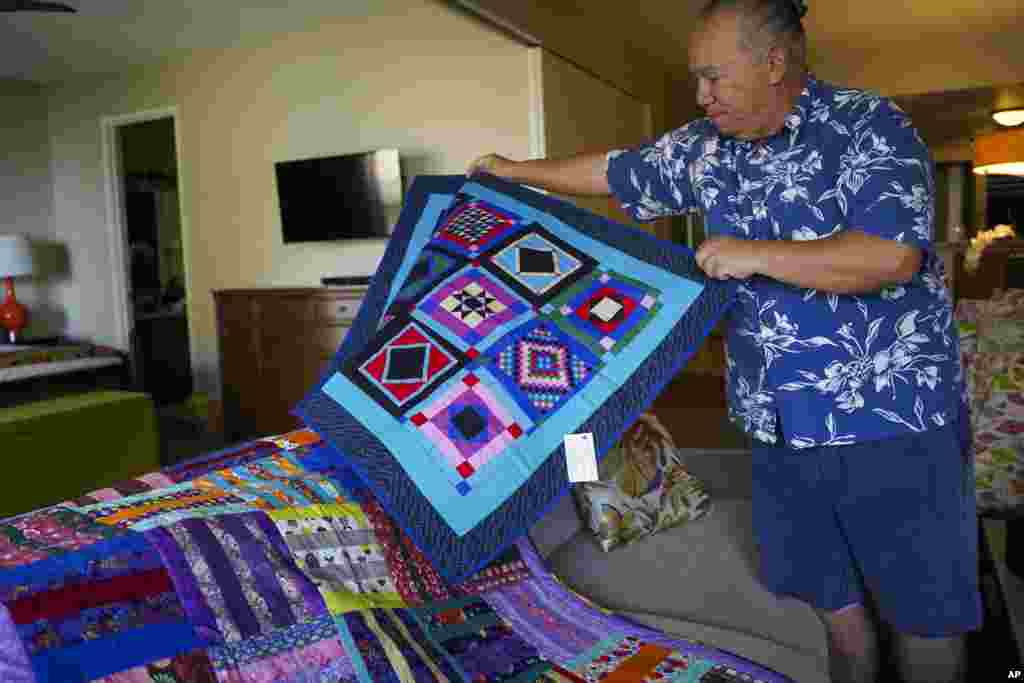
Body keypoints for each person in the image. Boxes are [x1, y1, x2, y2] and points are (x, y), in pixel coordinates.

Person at [468, 1, 980, 681]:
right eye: (695, 79)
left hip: (890, 423)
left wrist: (754, 253)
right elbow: (618, 171)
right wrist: (515, 171)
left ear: (774, 63)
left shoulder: (870, 128)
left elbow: (890, 256)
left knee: (922, 613)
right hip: (773, 424)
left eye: (714, 78)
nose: (701, 96)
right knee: (833, 605)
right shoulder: (709, 148)